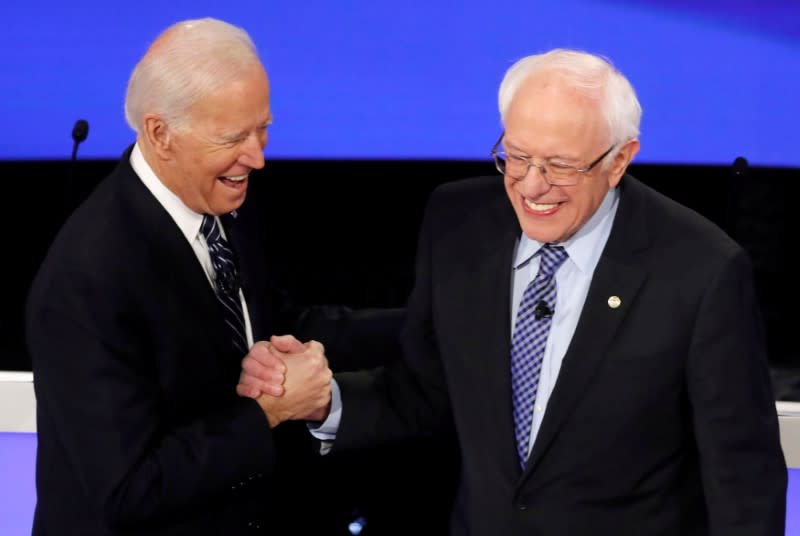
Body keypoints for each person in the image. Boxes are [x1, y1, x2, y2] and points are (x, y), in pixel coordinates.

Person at [240, 48, 788, 534]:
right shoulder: (459, 224)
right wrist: (324, 399)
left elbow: (743, 476)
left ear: (620, 159)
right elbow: (426, 391)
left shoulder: (700, 270)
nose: (531, 185)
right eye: (517, 155)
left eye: (561, 166)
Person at [25, 17, 405, 535]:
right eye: (234, 137)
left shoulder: (212, 203)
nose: (258, 156)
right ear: (161, 134)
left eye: (263, 128)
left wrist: (430, 322)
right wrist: (268, 412)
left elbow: (272, 322)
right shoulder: (90, 276)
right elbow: (130, 488)